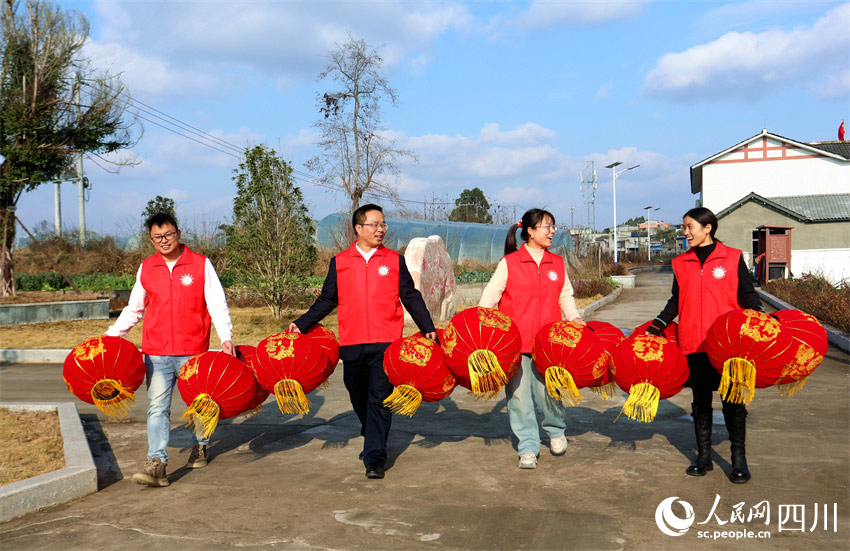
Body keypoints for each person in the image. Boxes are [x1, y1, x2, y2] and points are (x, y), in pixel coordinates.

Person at [288, 204, 436, 479]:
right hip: (353, 341)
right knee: (357, 393)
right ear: (359, 228)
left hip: (387, 341)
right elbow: (328, 299)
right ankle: (372, 435)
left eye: (383, 225)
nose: (381, 229)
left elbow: (410, 296)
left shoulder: (393, 259)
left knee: (380, 397)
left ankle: (375, 457)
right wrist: (303, 323)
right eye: (375, 225)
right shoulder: (340, 261)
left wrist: (427, 327)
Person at [106, 212, 234, 487]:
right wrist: (111, 337)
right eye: (157, 237)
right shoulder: (147, 267)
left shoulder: (200, 265)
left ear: (178, 234)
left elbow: (216, 303)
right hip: (157, 353)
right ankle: (157, 464)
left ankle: (200, 445)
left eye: (168, 235)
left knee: (199, 405)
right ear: (150, 239)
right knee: (157, 408)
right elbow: (134, 308)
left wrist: (226, 337)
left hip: (193, 352)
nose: (164, 241)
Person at [646, 207, 761, 483]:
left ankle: (738, 458)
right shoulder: (680, 262)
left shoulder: (732, 258)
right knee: (700, 402)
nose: (685, 232)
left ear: (707, 227)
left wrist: (758, 316)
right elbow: (676, 300)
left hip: (728, 345)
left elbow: (747, 294)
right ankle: (704, 456)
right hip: (693, 343)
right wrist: (657, 324)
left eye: (689, 227)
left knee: (733, 402)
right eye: (684, 227)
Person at [479, 208, 583, 469]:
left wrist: (574, 318)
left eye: (553, 227)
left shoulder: (556, 264)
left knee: (549, 393)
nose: (551, 232)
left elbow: (565, 296)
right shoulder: (510, 263)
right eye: (546, 227)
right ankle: (527, 447)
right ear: (530, 231)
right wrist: (486, 332)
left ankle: (556, 430)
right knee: (519, 398)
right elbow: (488, 300)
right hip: (514, 345)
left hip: (549, 344)